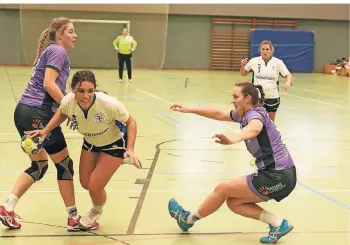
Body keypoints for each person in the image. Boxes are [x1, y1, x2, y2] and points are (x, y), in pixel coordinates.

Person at [167, 82, 297, 244]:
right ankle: (277, 224)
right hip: (281, 175)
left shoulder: (254, 116)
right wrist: (189, 109)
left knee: (223, 189)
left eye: (236, 97)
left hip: (277, 176)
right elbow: (219, 113)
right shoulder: (245, 113)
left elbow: (254, 129)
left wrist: (232, 139)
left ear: (247, 99)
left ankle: (187, 219)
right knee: (234, 202)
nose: (232, 100)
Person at [26, 70, 141, 230]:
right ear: (73, 89)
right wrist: (45, 131)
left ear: (95, 90)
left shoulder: (109, 104)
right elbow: (62, 113)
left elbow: (131, 122)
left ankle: (95, 211)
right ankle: (101, 180)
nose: (86, 96)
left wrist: (130, 149)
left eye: (90, 91)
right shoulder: (68, 101)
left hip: (114, 145)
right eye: (81, 91)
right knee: (85, 183)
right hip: (90, 143)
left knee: (95, 187)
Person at [0, 17, 81, 231]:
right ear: (60, 33)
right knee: (64, 165)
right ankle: (73, 218)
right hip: (39, 113)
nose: (75, 35)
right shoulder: (58, 52)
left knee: (40, 165)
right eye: (71, 31)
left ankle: (8, 207)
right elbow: (48, 84)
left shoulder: (51, 51)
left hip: (23, 111)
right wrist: (69, 108)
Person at [240, 40, 292, 122]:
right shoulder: (254, 61)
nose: (265, 51)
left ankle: (270, 135)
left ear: (271, 51)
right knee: (256, 120)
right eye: (263, 49)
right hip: (258, 97)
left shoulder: (278, 62)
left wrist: (288, 82)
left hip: (272, 96)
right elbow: (243, 73)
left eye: (267, 49)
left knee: (270, 123)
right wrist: (242, 66)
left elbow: (288, 75)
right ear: (260, 50)